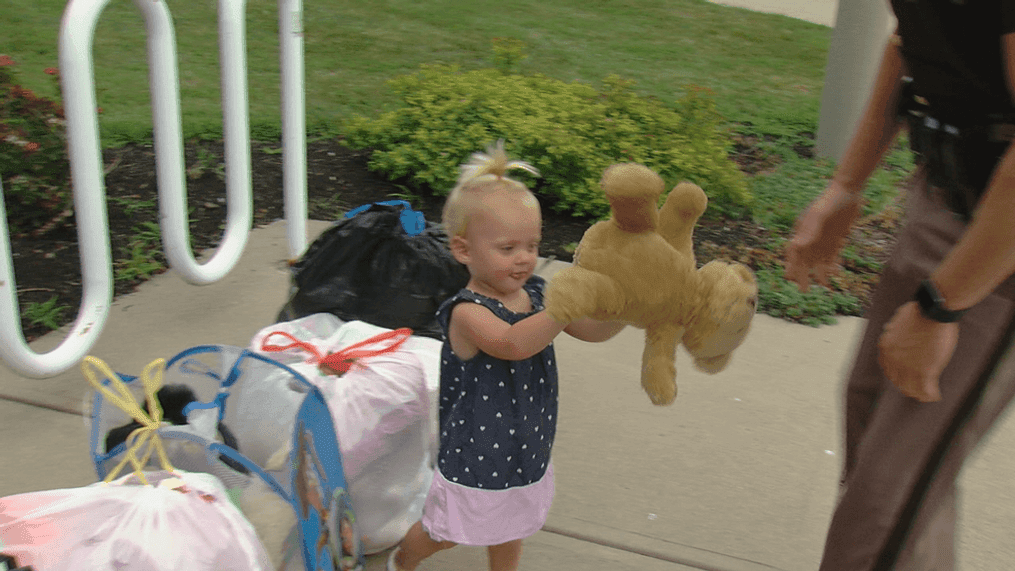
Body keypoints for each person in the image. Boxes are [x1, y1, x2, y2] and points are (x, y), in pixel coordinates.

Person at [785, 2, 1015, 570]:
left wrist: (943, 307)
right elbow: (908, 42)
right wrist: (846, 185)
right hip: (945, 195)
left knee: (885, 500)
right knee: (873, 433)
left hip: (999, 247)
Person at [387, 142, 626, 571]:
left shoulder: (535, 291)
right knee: (446, 531)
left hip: (526, 443)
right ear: (464, 251)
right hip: (476, 452)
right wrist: (563, 306)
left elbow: (588, 330)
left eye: (532, 245)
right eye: (507, 248)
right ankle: (403, 559)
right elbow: (514, 344)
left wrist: (625, 312)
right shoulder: (467, 312)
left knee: (514, 523)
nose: (524, 258)